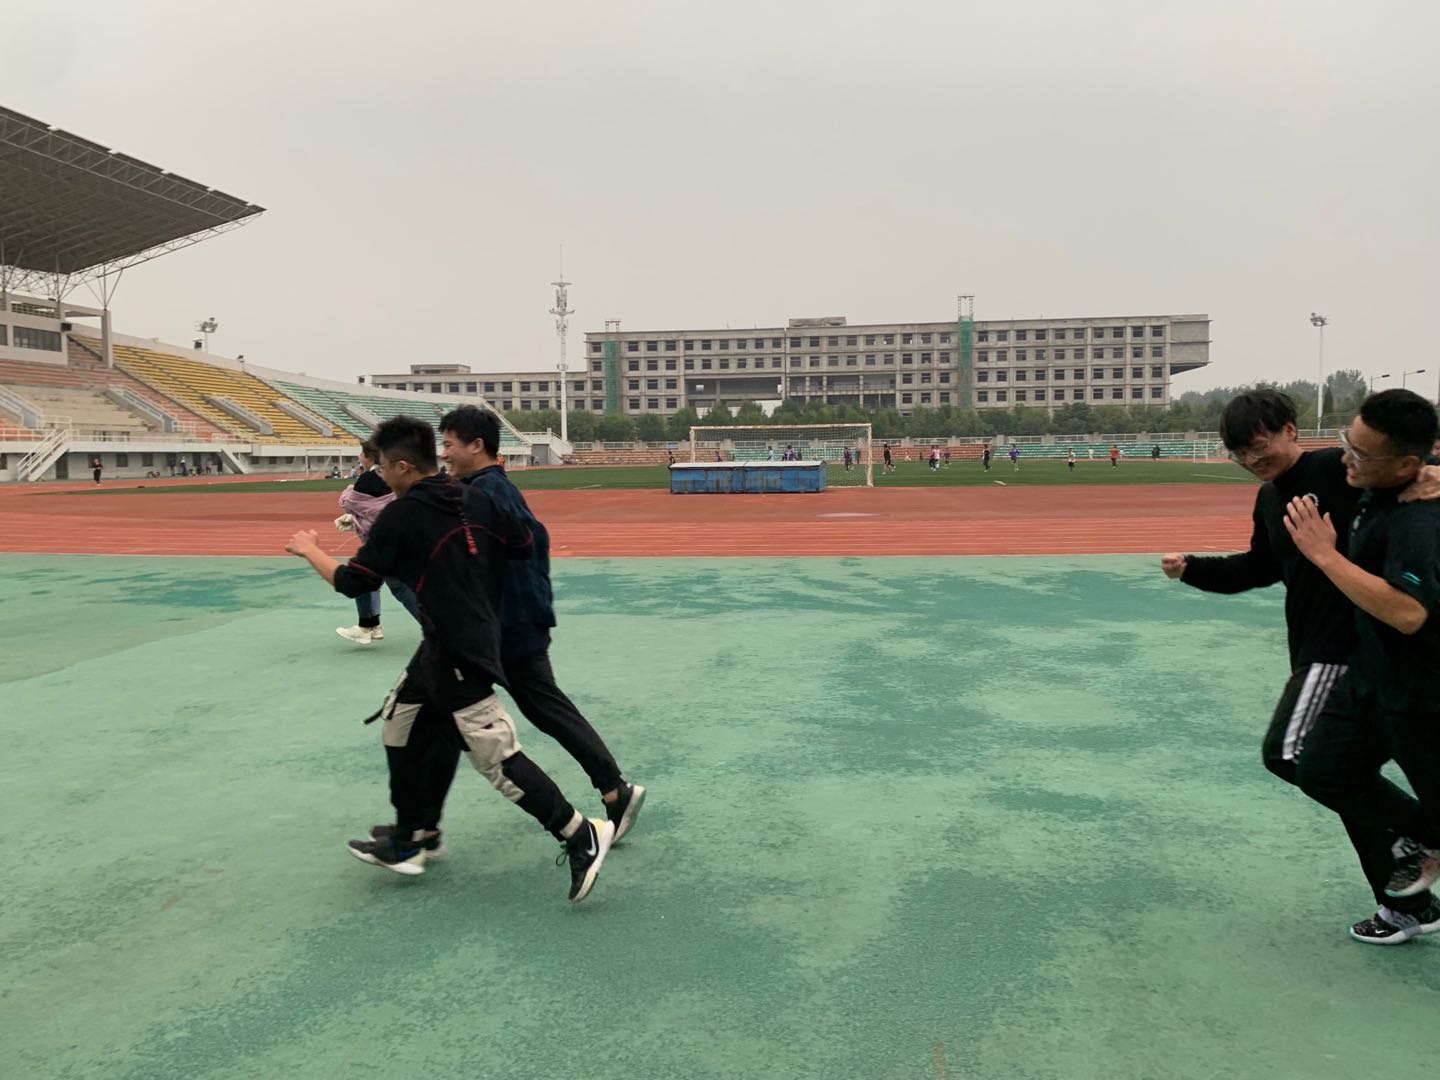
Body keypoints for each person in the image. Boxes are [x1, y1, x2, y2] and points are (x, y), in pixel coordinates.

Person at [285, 416, 616, 901]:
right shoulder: (472, 497)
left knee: (495, 757)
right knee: (400, 723)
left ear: (402, 467)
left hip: (462, 651)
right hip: (445, 643)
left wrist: (309, 549)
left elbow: (353, 582)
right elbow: (523, 543)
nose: (378, 476)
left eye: (381, 468)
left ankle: (580, 833)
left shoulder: (403, 515)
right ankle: (412, 835)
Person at [1162, 390, 1440, 944]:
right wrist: (1193, 569)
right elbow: (1261, 567)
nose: (1251, 459)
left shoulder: (1337, 470)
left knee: (1292, 755)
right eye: (1239, 452)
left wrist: (1436, 471)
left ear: (1290, 430)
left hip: (1344, 651)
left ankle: (1422, 836)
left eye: (1258, 444)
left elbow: (1404, 467)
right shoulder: (1271, 498)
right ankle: (1406, 903)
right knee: (1342, 782)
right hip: (1327, 648)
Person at [437, 405, 646, 845]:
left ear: (477, 446)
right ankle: (613, 789)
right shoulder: (482, 487)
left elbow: (523, 545)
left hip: (510, 624)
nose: (444, 453)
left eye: (450, 444)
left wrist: (511, 612)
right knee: (536, 707)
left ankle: (610, 793)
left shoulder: (489, 491)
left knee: (539, 707)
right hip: (508, 621)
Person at [1284, 389, 1440, 943]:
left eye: (1360, 452)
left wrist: (1323, 555)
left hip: (1421, 694)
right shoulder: (1387, 480)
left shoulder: (1419, 521)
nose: (1346, 456)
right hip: (1370, 676)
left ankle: (1424, 850)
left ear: (1404, 463)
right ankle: (1423, 838)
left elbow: (1408, 613)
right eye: (1347, 441)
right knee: (1322, 768)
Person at [335, 439, 422, 645]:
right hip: (397, 535)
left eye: (361, 454)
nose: (359, 457)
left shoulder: (368, 479)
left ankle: (438, 628)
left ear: (369, 457)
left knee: (400, 587)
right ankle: (369, 625)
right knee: (365, 576)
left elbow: (349, 502)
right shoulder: (393, 476)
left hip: (385, 542)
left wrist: (349, 491)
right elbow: (375, 509)